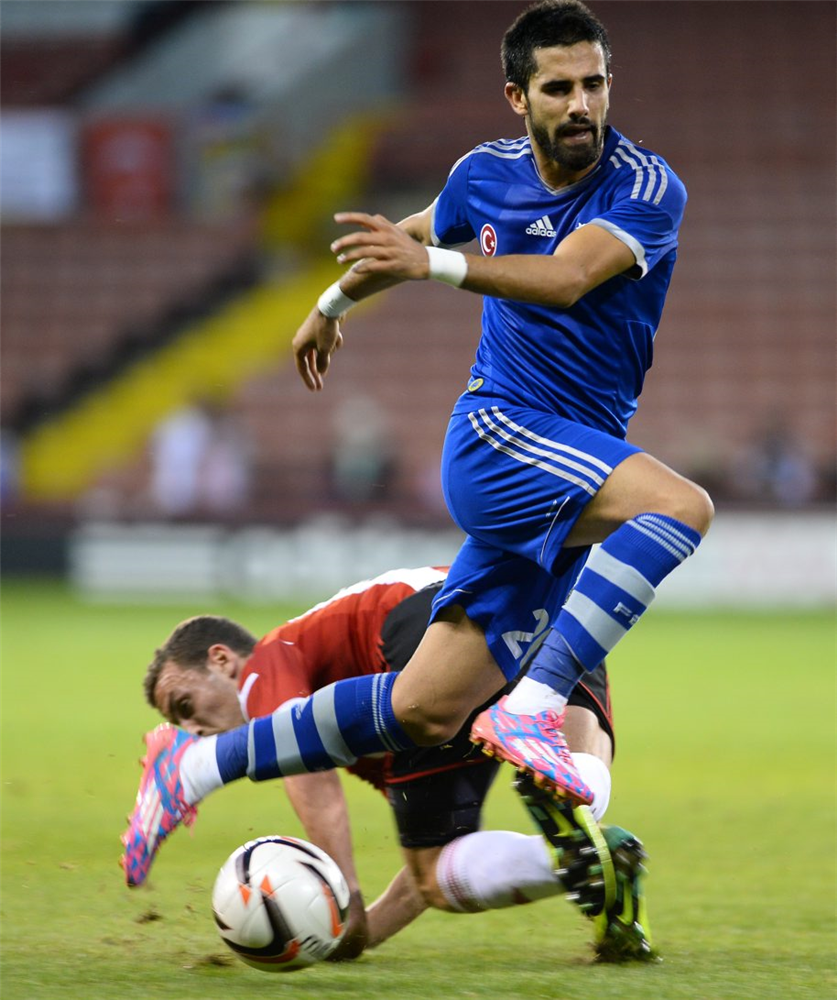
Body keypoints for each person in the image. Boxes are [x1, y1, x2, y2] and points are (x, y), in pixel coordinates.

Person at [123, 0, 709, 958]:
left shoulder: (646, 188)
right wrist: (330, 301)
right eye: (557, 87)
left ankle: (191, 768)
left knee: (423, 708)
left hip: (565, 472)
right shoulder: (483, 174)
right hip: (502, 436)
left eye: (593, 83)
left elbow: (565, 277)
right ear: (517, 96)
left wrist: (430, 266)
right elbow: (413, 231)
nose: (579, 104)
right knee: (680, 507)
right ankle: (530, 709)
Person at [126, 567, 650, 962]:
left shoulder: (267, 661)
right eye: (184, 728)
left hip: (437, 626)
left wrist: (346, 901)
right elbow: (426, 865)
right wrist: (359, 932)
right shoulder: (362, 726)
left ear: (221, 660)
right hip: (547, 611)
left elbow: (310, 776)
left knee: (435, 864)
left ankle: (564, 862)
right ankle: (597, 855)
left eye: (186, 707)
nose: (196, 729)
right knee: (566, 787)